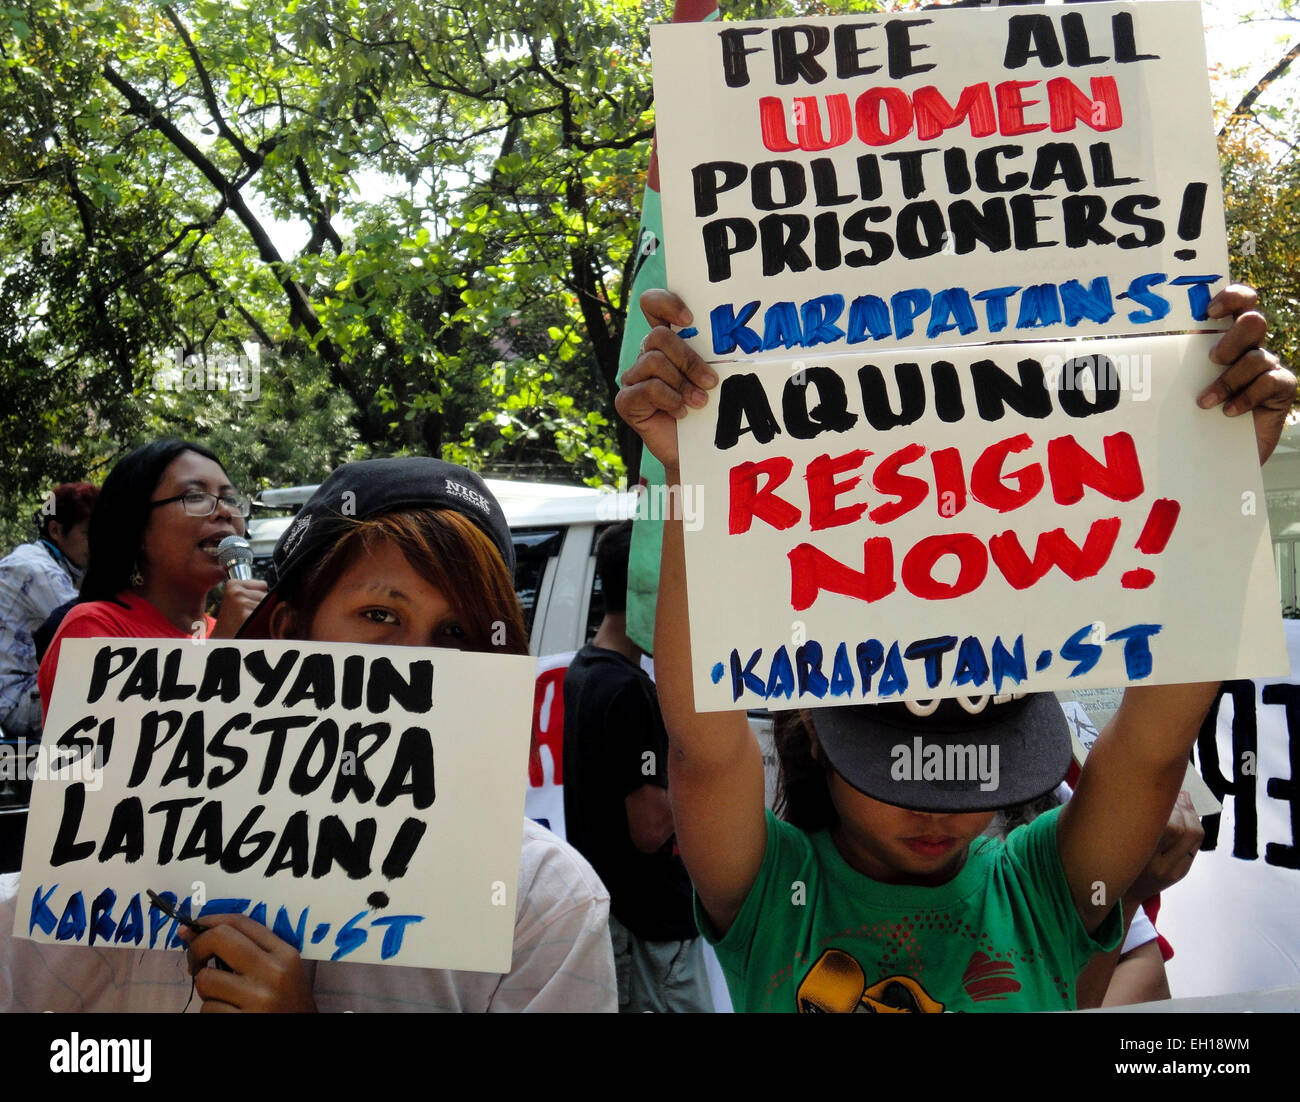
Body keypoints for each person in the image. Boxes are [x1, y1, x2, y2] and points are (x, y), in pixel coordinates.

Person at [615, 284, 1294, 1012]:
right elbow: (701, 748)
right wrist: (690, 474)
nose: (937, 815)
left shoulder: (1045, 888)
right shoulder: (771, 893)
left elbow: (1154, 747)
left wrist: (1225, 482)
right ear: (818, 734)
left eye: (972, 776)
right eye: (899, 776)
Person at [2, 458, 618, 1013]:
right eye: (380, 615)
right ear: (289, 632)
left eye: (457, 633)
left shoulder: (543, 900)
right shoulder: (111, 861)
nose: (420, 662)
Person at [562, 519, 711, 1012]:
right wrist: (703, 767)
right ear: (648, 589)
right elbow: (649, 827)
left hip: (621, 912)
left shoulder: (585, 669)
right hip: (653, 926)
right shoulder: (628, 690)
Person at [36, 440, 267, 719]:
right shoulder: (93, 627)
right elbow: (130, 752)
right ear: (136, 528)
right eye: (194, 496)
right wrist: (222, 651)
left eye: (230, 499)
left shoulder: (232, 629)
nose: (225, 511)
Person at [0, 482, 97, 739]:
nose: (98, 545)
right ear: (56, 530)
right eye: (89, 534)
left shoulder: (42, 561)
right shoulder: (38, 570)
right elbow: (94, 632)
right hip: (13, 703)